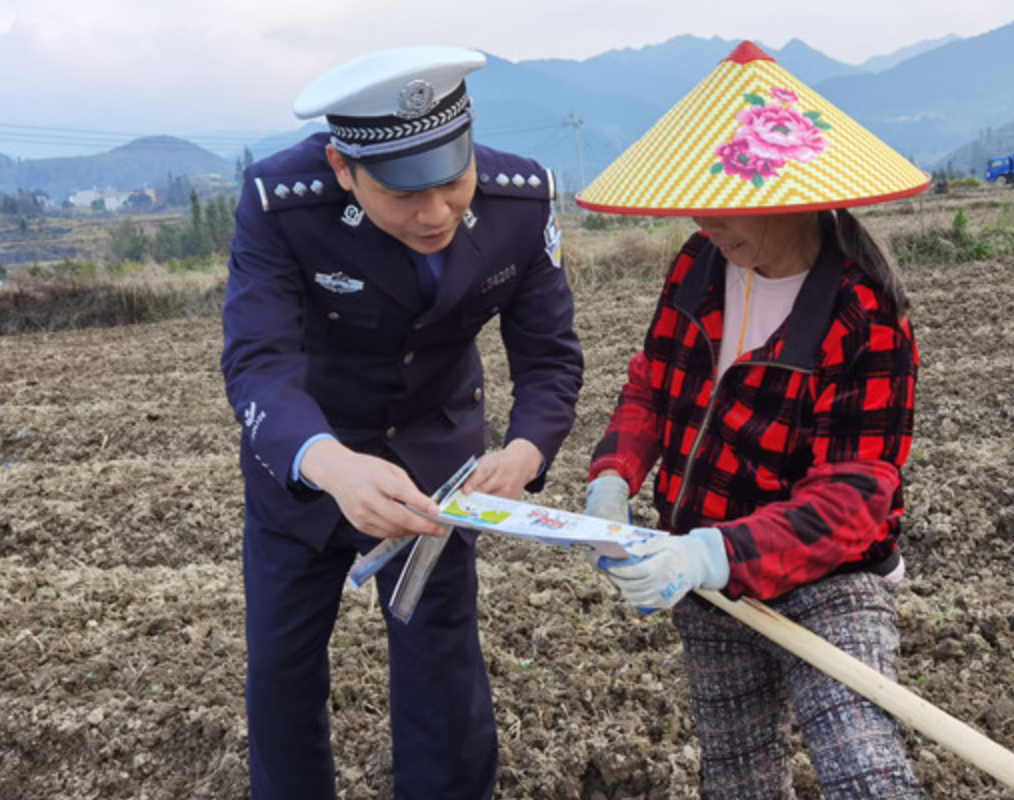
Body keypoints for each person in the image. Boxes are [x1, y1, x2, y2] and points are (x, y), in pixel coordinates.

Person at [220, 46, 583, 800]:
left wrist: (522, 453)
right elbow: (258, 362)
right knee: (282, 671)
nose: (436, 212)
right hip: (307, 467)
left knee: (441, 669)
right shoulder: (281, 204)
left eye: (451, 182)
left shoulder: (521, 202)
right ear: (344, 167)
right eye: (403, 194)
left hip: (435, 476)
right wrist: (330, 464)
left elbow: (549, 360)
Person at [578, 42, 928, 799]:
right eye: (700, 198)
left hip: (829, 579)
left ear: (793, 193)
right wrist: (613, 475)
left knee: (862, 764)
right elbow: (651, 385)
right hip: (703, 569)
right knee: (738, 775)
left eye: (726, 201)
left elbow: (855, 496)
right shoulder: (698, 267)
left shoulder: (863, 316)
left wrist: (716, 551)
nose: (706, 220)